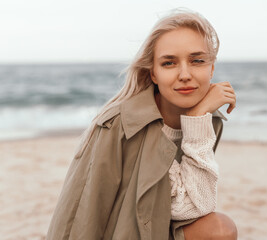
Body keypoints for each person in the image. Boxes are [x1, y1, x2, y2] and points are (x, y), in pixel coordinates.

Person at [47, 9, 237, 240]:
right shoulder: (119, 124)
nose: (185, 74)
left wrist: (197, 118)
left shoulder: (207, 120)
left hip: (158, 230)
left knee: (220, 229)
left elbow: (197, 206)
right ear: (154, 74)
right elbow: (83, 211)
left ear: (211, 68)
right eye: (169, 63)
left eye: (197, 61)